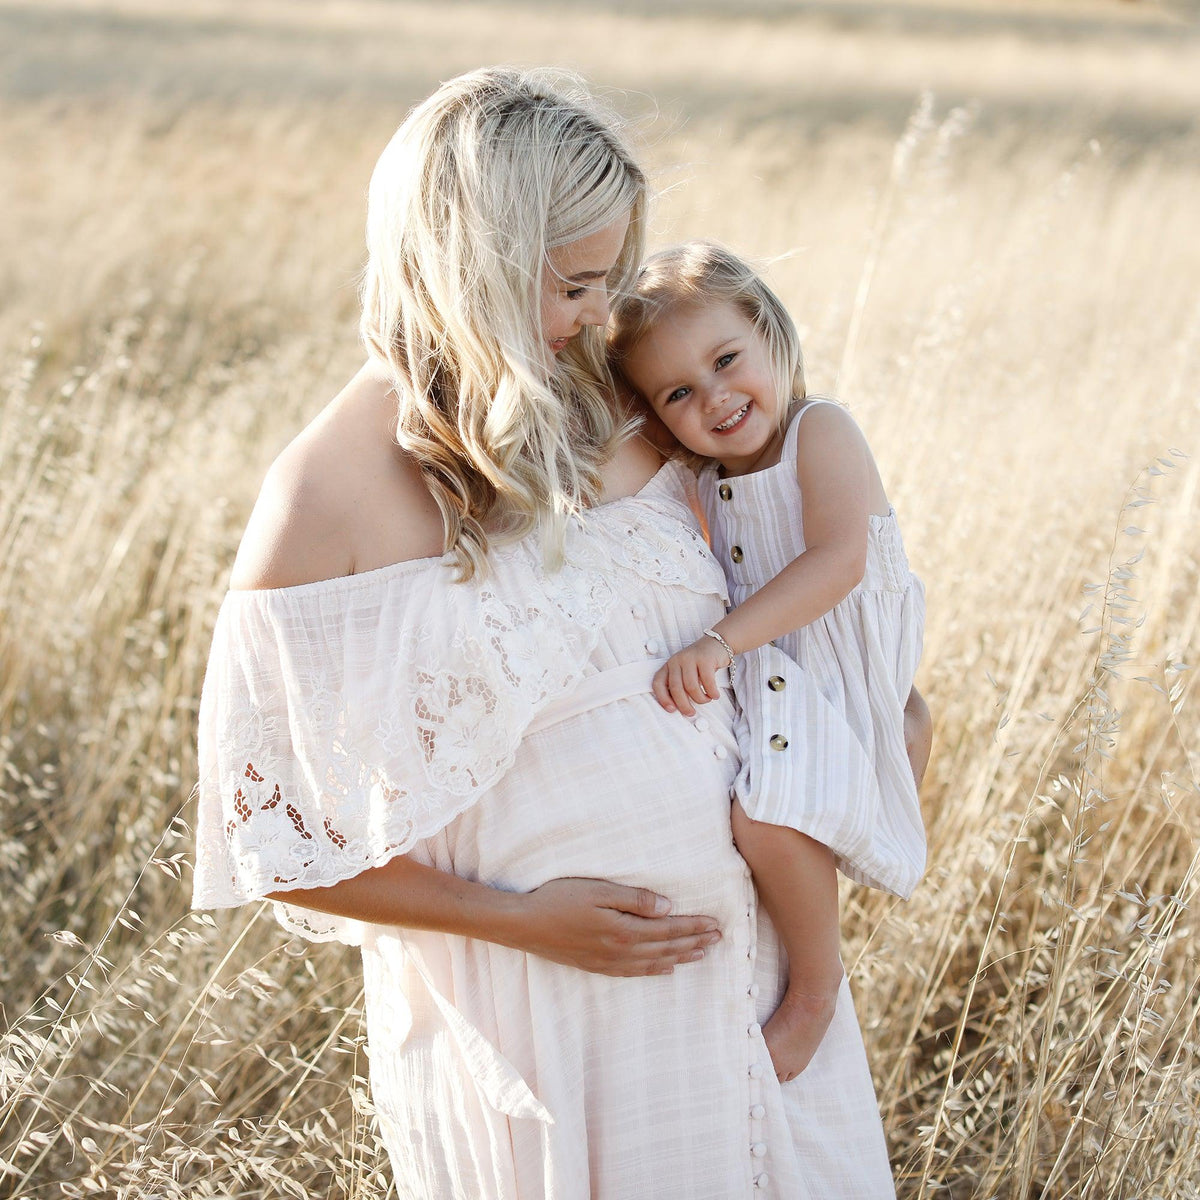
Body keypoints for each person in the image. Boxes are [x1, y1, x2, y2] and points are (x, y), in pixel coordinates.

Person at [193, 69, 898, 1197]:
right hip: (544, 1022)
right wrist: (524, 924)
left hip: (767, 992)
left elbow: (801, 556)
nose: (592, 316)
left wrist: (873, 713)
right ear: (474, 256)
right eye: (573, 283)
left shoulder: (631, 404)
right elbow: (278, 849)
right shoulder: (323, 495)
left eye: (609, 278)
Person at [608, 240, 930, 1084]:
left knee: (764, 819)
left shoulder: (819, 430)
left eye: (726, 360)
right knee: (765, 809)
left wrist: (717, 645)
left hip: (830, 655)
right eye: (679, 392)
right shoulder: (701, 473)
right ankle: (843, 828)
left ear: (769, 332)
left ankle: (815, 992)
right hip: (780, 664)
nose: (714, 398)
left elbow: (836, 563)